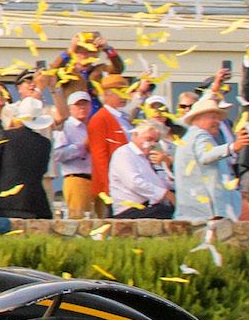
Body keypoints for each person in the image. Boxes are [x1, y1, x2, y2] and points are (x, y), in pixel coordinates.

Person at [173, 96, 248, 222]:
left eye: (218, 118)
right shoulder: (200, 135)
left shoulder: (189, 137)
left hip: (193, 209)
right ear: (197, 119)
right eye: (213, 117)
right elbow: (206, 155)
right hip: (205, 210)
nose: (217, 122)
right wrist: (233, 147)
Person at [0, 99, 54, 219]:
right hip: (35, 202)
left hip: (4, 200)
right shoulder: (44, 143)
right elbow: (42, 171)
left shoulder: (4, 137)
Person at [87, 73, 134, 211]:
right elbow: (99, 157)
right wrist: (109, 188)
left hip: (127, 182)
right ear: (107, 95)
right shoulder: (100, 119)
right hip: (112, 186)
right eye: (119, 92)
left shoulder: (124, 117)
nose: (123, 96)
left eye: (125, 92)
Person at [108, 121, 174, 218]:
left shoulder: (147, 157)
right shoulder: (124, 153)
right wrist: (165, 194)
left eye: (156, 141)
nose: (152, 144)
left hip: (151, 206)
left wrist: (166, 165)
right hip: (132, 209)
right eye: (149, 139)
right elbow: (134, 183)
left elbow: (162, 182)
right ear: (135, 135)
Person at [52, 89, 96, 218]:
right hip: (76, 179)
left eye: (85, 104)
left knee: (99, 221)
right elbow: (57, 154)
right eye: (78, 104)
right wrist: (82, 147)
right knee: (78, 220)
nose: (82, 107)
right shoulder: (65, 127)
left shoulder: (93, 126)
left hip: (96, 180)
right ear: (70, 108)